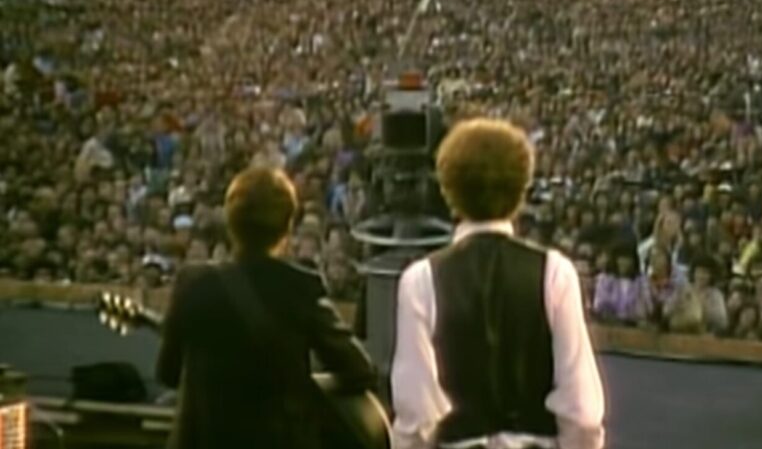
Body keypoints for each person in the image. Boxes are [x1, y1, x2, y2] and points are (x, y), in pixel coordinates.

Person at [392, 119, 605, 449]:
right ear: (521, 188)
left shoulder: (420, 279)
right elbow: (582, 411)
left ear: (448, 190)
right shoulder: (556, 273)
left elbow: (417, 413)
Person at [156, 166, 375, 449]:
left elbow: (167, 373)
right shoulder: (300, 288)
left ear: (230, 221)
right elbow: (359, 370)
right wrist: (303, 385)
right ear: (287, 227)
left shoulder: (191, 283)